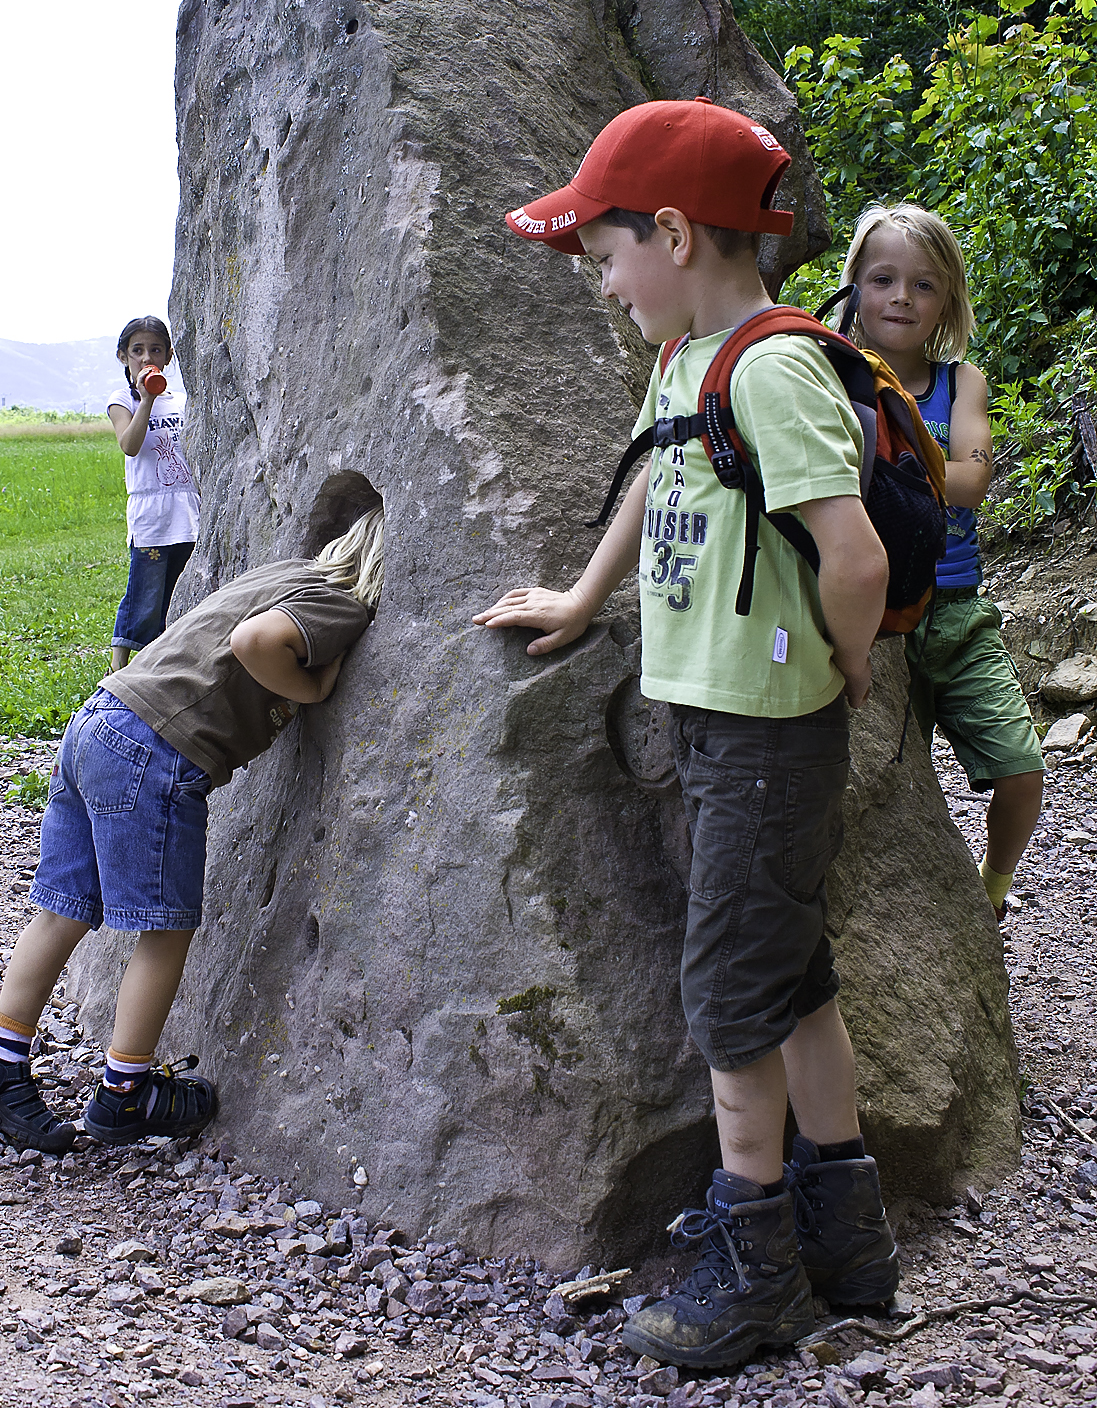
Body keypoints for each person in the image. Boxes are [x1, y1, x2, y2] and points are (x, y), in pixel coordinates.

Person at [474, 98, 899, 1370]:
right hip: (718, 722)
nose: (604, 284)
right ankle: (850, 1238)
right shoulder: (688, 365)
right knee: (794, 973)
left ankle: (754, 1260)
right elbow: (663, 474)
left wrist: (845, 659)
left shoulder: (769, 365)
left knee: (726, 997)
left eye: (605, 255)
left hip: (773, 730)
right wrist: (584, 594)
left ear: (670, 228)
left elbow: (854, 551)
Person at [0, 506, 384, 1152]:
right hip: (155, 749)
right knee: (164, 929)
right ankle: (126, 1093)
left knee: (61, 908)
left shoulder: (289, 572)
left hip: (100, 717)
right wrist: (313, 688)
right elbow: (257, 642)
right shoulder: (339, 601)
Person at [841, 203, 1044, 917]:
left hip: (956, 610)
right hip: (871, 614)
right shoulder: (831, 371)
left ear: (946, 299)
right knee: (893, 782)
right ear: (855, 286)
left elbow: (973, 480)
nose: (901, 296)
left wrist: (887, 458)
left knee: (1021, 769)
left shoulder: (962, 383)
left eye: (923, 285)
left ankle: (991, 886)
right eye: (883, 278)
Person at [107, 316, 201, 670]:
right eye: (138, 350)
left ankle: (162, 663)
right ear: (123, 357)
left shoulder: (180, 401)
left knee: (176, 591)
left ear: (169, 356)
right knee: (143, 594)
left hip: (185, 507)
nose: (147, 357)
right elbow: (130, 445)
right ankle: (117, 667)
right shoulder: (122, 401)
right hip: (150, 515)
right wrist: (146, 399)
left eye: (156, 350)